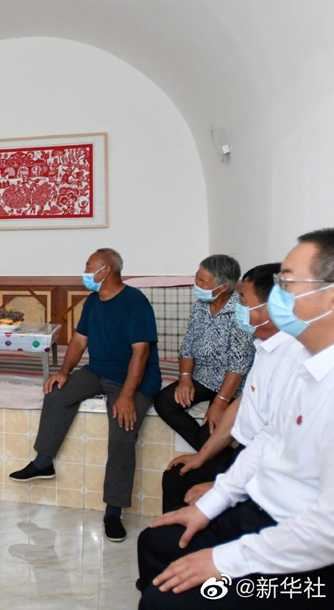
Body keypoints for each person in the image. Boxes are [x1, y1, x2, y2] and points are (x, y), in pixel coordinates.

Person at [137, 228, 334, 609]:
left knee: (164, 600)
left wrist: (223, 560)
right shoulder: (306, 363)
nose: (279, 296)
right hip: (259, 512)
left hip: (307, 556)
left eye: (288, 283)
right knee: (158, 543)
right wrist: (212, 503)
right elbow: (267, 438)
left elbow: (325, 529)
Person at [9, 248, 162, 543]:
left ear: (106, 270)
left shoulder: (135, 302)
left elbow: (141, 354)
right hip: (98, 371)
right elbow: (79, 341)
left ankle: (113, 511)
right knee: (57, 393)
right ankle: (43, 462)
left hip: (133, 378)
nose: (85, 271)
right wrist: (64, 372)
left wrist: (127, 396)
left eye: (89, 266)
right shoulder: (93, 301)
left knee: (122, 430)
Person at [162, 264, 297, 512]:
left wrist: (223, 485)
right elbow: (243, 403)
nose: (239, 306)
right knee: (176, 474)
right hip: (244, 452)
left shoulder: (294, 359)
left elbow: (274, 441)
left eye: (243, 299)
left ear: (271, 308)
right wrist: (201, 455)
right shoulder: (265, 348)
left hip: (262, 468)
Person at [153, 255, 255, 453]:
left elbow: (238, 366)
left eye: (203, 281)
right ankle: (217, 457)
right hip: (203, 376)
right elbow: (187, 347)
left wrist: (220, 403)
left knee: (210, 429)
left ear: (224, 287)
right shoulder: (200, 307)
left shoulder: (240, 313)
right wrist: (185, 379)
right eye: (197, 277)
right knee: (164, 402)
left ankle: (210, 456)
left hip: (232, 384)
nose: (197, 284)